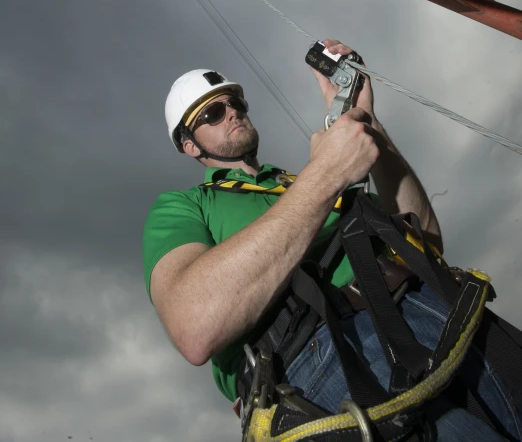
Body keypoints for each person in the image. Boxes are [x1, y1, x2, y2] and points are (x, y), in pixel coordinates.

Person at [142, 39, 522, 441]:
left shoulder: (302, 182)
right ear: (189, 144)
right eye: (213, 113)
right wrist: (326, 174)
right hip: (323, 359)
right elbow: (193, 324)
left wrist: (368, 122)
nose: (232, 112)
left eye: (235, 102)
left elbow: (423, 239)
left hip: (432, 311)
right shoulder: (184, 206)